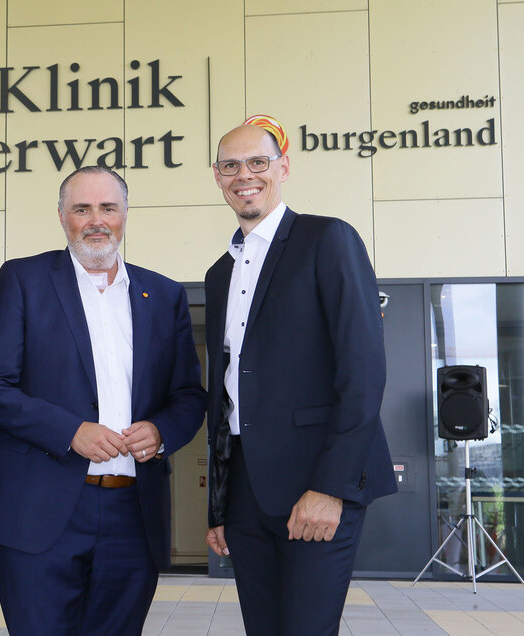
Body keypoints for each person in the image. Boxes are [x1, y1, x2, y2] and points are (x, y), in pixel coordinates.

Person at [0, 166, 207, 635]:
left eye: (108, 208)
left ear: (124, 215)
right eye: (82, 208)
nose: (95, 220)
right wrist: (69, 432)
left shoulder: (162, 294)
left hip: (133, 517)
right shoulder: (24, 279)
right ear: (62, 216)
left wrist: (161, 432)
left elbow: (187, 396)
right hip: (39, 513)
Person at [203, 115, 397, 635]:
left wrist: (330, 487)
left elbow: (363, 371)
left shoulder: (326, 239)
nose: (244, 175)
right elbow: (221, 397)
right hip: (245, 489)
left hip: (316, 481)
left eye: (258, 162)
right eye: (230, 165)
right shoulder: (220, 274)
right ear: (217, 177)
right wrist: (218, 505)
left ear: (283, 167)